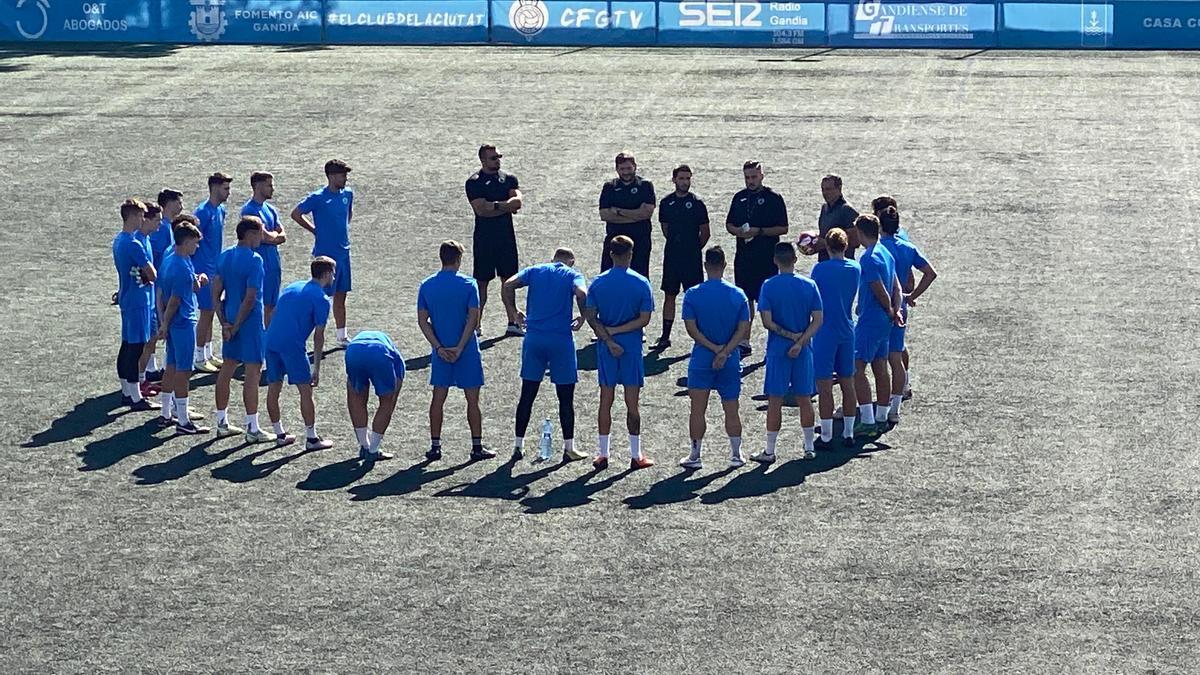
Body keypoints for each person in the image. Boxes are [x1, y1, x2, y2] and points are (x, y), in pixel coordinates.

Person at [502, 247, 590, 462]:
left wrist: (514, 312)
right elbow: (582, 293)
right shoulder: (572, 274)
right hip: (561, 341)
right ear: (571, 260)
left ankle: (518, 445)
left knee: (527, 395)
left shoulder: (535, 270)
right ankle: (569, 447)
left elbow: (508, 285)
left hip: (534, 339)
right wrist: (583, 316)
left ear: (552, 259)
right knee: (565, 398)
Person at [583, 235, 655, 471]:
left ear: (611, 254)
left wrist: (608, 338)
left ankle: (603, 454)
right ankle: (636, 455)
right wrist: (619, 332)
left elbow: (591, 317)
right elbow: (644, 319)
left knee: (606, 401)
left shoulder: (598, 283)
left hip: (606, 348)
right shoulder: (641, 282)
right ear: (631, 254)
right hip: (632, 348)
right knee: (632, 404)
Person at [417, 240, 491, 462]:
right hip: (466, 351)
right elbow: (473, 318)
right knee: (473, 400)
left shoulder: (427, 285)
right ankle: (477, 447)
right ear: (458, 259)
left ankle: (435, 447)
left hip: (441, 352)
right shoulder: (469, 285)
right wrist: (460, 347)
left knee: (438, 398)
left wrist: (438, 347)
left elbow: (423, 321)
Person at [680, 246, 751, 469]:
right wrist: (725, 351)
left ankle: (695, 455)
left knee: (697, 409)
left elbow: (692, 329)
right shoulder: (738, 295)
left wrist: (712, 348)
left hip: (702, 358)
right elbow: (742, 329)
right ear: (725, 265)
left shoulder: (693, 294)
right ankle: (736, 454)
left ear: (705, 265)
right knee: (731, 408)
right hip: (730, 359)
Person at [753, 242, 823, 463]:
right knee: (805, 399)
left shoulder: (768, 286)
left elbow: (767, 322)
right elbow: (818, 320)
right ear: (795, 259)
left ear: (775, 260)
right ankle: (809, 447)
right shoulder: (809, 285)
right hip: (803, 351)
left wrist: (790, 337)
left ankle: (770, 450)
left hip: (777, 350)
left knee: (775, 400)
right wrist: (800, 341)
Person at [263, 257, 338, 451]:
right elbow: (319, 336)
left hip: (270, 341)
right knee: (306, 391)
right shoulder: (321, 299)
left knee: (274, 388)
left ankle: (280, 434)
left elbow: (274, 313)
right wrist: (317, 369)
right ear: (327, 274)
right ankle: (312, 439)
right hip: (292, 346)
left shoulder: (293, 286)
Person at [211, 216, 271, 443]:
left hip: (229, 321)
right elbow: (251, 297)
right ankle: (252, 428)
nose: (262, 237)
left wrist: (224, 322)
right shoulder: (255, 260)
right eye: (260, 232)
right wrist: (235, 326)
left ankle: (221, 422)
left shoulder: (224, 256)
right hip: (250, 324)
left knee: (227, 369)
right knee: (253, 374)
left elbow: (215, 293)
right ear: (250, 234)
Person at [878, 205, 937, 424]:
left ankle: (873, 409)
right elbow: (930, 273)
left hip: (878, 308)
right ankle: (894, 407)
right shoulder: (907, 247)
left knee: (873, 359)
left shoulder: (876, 249)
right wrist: (912, 296)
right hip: (901, 306)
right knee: (896, 357)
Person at [724, 161, 789, 358]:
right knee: (745, 300)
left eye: (753, 177)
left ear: (762, 175)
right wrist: (738, 232)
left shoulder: (774, 198)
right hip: (743, 258)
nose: (750, 181)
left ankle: (775, 339)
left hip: (767, 258)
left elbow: (783, 228)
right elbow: (729, 224)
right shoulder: (739, 197)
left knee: (768, 301)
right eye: (747, 177)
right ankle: (744, 340)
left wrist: (759, 232)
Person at [292, 159, 354, 347]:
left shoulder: (348, 194)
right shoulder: (318, 197)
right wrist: (314, 230)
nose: (345, 178)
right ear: (332, 176)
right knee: (321, 297)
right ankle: (311, 334)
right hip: (325, 255)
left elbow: (347, 215)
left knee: (342, 294)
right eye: (342, 175)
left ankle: (341, 335)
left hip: (344, 253)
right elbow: (296, 213)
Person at [852, 214, 904, 437]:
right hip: (885, 321)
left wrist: (889, 310)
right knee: (881, 367)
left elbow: (878, 287)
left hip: (872, 319)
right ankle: (882, 416)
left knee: (856, 367)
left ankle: (867, 419)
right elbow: (896, 286)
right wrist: (897, 310)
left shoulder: (868, 258)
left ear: (861, 233)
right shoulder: (887, 252)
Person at [465, 144, 524, 337]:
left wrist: (495, 206)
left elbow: (518, 202)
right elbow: (481, 210)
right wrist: (505, 206)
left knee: (509, 281)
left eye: (498, 157)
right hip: (484, 240)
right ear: (482, 160)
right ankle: (476, 324)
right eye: (493, 158)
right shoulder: (474, 182)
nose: (497, 160)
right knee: (481, 283)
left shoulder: (509, 179)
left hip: (506, 238)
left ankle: (512, 322)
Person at [157, 216, 209, 434]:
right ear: (186, 241)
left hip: (174, 324)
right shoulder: (181, 267)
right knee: (183, 371)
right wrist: (165, 325)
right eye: (195, 242)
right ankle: (183, 421)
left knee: (171, 366)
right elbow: (175, 301)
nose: (197, 246)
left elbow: (161, 293)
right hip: (183, 324)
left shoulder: (172, 259)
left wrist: (162, 320)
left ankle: (165, 413)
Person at [810, 227, 861, 448]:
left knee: (824, 386)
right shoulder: (855, 268)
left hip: (825, 332)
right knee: (848, 383)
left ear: (828, 247)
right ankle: (848, 433)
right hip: (847, 330)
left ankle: (827, 435)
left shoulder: (819, 270)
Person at [652, 164, 710, 350]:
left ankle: (700, 336)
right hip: (672, 257)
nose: (685, 182)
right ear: (674, 180)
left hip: (692, 258)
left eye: (688, 178)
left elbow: (705, 233)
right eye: (681, 178)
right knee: (669, 295)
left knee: (694, 297)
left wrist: (692, 248)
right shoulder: (666, 202)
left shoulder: (698, 203)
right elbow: (665, 228)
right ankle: (665, 336)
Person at [113, 198, 159, 412]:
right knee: (135, 348)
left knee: (126, 346)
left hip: (127, 298)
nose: (143, 219)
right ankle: (135, 397)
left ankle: (126, 392)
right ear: (132, 216)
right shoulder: (133, 244)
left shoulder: (119, 241)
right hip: (139, 301)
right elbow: (152, 273)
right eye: (141, 215)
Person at [344, 331, 406, 462]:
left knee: (356, 397)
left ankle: (364, 445)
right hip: (379, 352)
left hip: (353, 350)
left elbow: (352, 389)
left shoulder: (362, 338)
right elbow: (393, 396)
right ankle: (373, 450)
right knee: (387, 402)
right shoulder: (398, 359)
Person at [192, 172, 232, 373]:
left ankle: (207, 353)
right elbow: (190, 240)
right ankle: (199, 356)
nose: (228, 192)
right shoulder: (202, 213)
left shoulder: (221, 210)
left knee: (213, 311)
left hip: (216, 269)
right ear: (215, 188)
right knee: (206, 312)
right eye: (225, 188)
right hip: (204, 270)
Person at [598, 152, 655, 278]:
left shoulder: (645, 185)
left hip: (640, 242)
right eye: (622, 169)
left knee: (639, 278)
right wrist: (635, 215)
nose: (626, 172)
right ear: (617, 169)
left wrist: (618, 211)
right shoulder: (610, 187)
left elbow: (646, 213)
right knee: (609, 278)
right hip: (614, 241)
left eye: (629, 168)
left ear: (635, 166)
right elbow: (604, 215)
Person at [240, 171, 287, 326]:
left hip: (273, 265)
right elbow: (265, 237)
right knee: (257, 305)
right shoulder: (250, 210)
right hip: (258, 265)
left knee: (272, 305)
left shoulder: (271, 209)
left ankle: (269, 343)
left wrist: (273, 237)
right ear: (258, 186)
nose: (272, 189)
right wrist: (273, 237)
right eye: (269, 185)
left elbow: (282, 235)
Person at [136, 202, 164, 395]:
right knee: (144, 342)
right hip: (142, 301)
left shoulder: (146, 239)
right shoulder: (137, 240)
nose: (159, 226)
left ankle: (142, 378)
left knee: (151, 339)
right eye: (157, 221)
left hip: (150, 299)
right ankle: (139, 381)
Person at [812, 174, 860, 261]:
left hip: (842, 264)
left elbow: (855, 242)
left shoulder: (847, 210)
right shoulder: (824, 208)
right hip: (824, 261)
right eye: (823, 189)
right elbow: (823, 234)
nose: (825, 193)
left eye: (828, 189)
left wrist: (825, 243)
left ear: (839, 188)